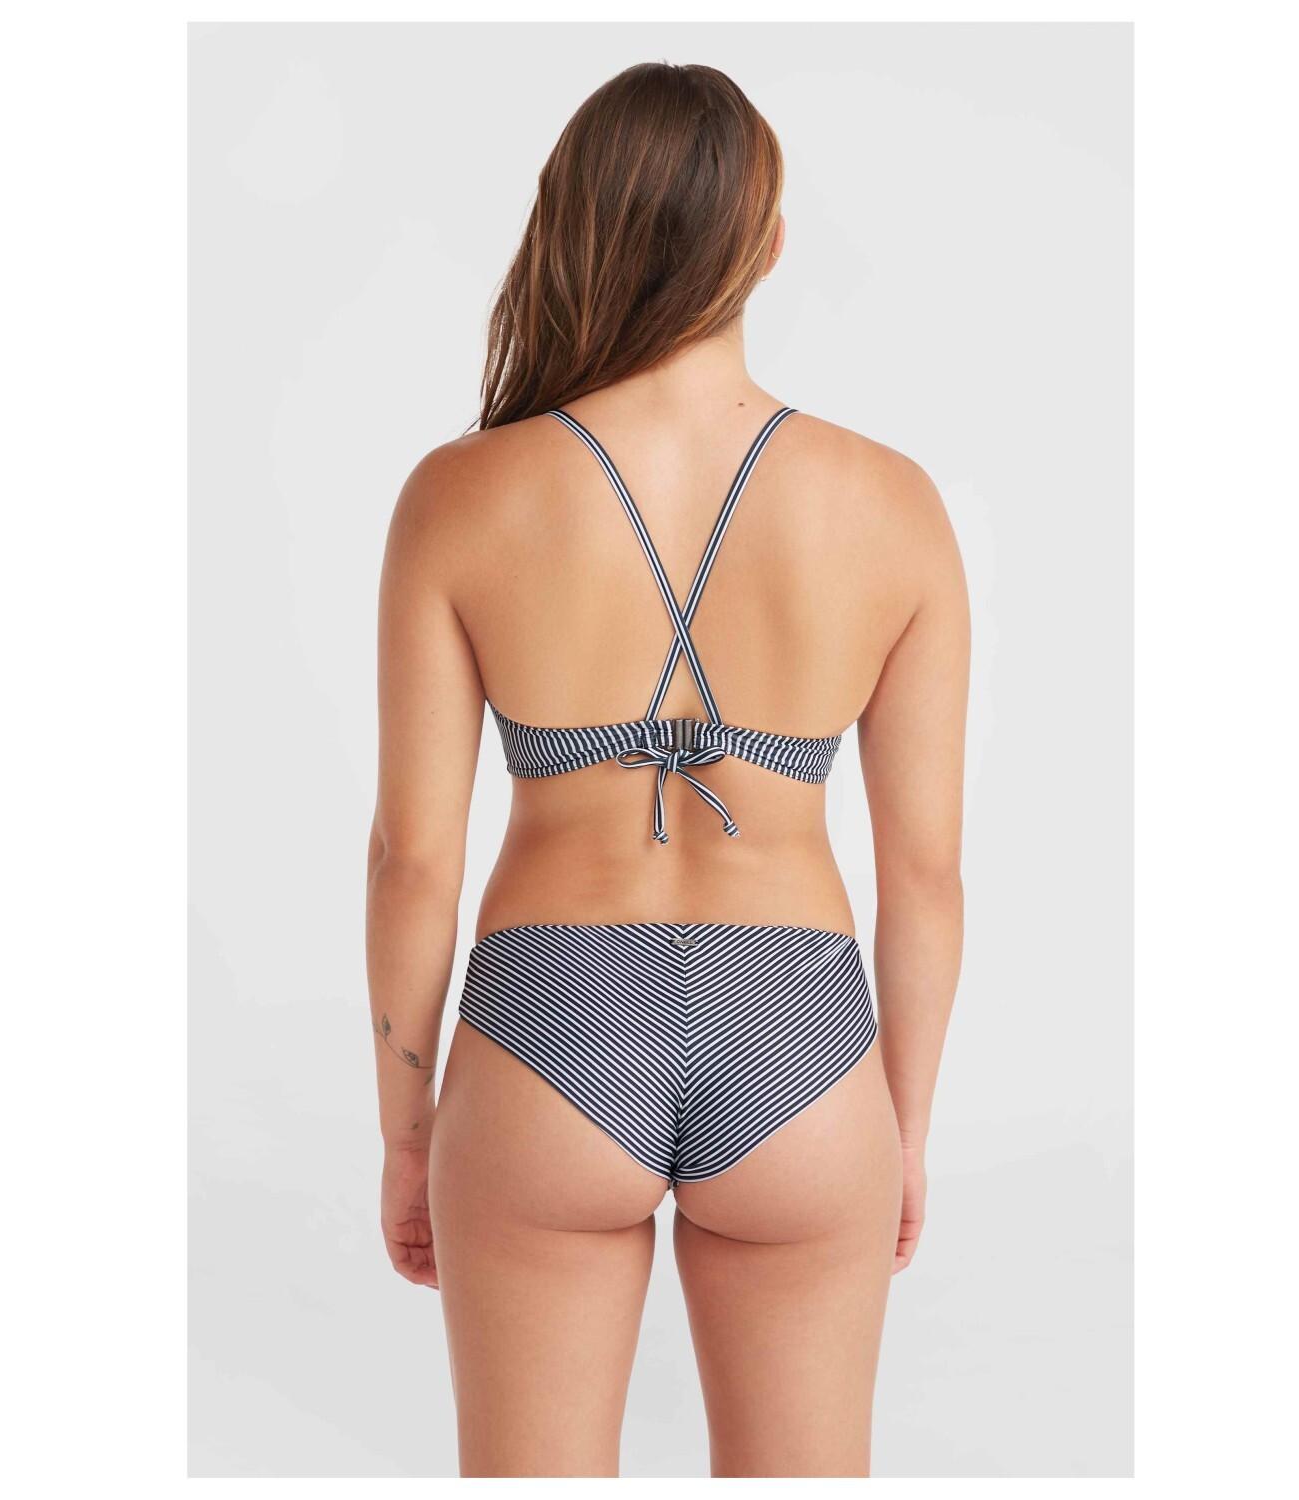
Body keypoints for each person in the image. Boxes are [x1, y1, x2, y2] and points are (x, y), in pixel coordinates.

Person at [366, 61, 969, 1478]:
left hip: (547, 1025)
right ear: (766, 242)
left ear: (575, 222)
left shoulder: (462, 494)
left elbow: (414, 858)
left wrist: (409, 1136)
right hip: (802, 1037)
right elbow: (929, 874)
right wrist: (899, 1130)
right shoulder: (892, 504)